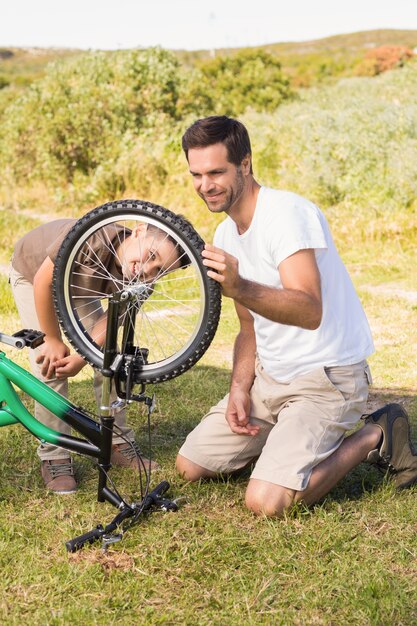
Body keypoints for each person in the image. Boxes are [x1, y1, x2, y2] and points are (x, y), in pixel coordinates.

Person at [176, 115, 417, 516]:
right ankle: (282, 443)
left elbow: (309, 309)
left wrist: (241, 287)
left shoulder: (286, 214)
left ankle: (376, 435)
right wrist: (239, 387)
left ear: (246, 164)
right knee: (191, 466)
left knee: (266, 503)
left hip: (325, 378)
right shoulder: (224, 235)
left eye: (216, 172)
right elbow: (248, 324)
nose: (206, 185)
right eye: (196, 174)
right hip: (270, 379)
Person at [11, 217, 184, 494]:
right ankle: (55, 455)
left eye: (159, 270)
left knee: (111, 358)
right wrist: (53, 340)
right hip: (33, 276)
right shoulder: (93, 238)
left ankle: (117, 441)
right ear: (138, 230)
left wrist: (82, 357)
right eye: (151, 255)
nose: (147, 269)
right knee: (50, 363)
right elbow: (44, 281)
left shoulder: (143, 281)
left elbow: (111, 324)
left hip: (79, 286)